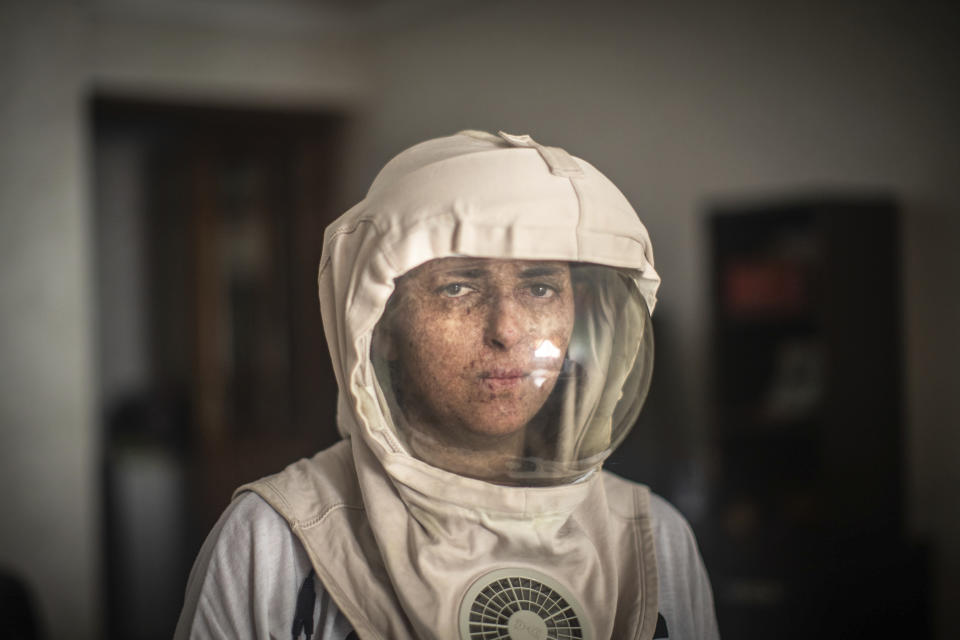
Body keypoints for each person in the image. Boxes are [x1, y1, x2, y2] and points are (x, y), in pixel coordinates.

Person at [174, 130, 720, 639]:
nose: (507, 330)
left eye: (539, 288)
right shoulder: (275, 541)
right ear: (380, 324)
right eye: (458, 287)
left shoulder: (653, 539)